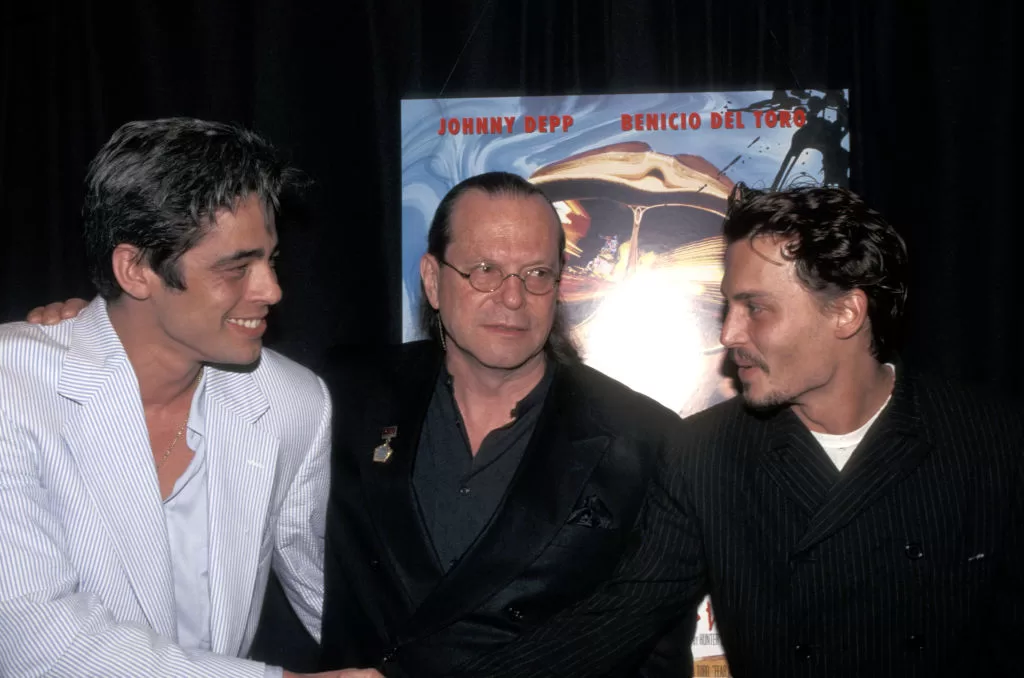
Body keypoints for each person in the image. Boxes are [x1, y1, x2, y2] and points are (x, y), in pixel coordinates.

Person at [456, 184, 1024, 676]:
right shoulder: (708, 453)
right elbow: (613, 621)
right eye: (728, 306)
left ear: (847, 313)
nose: (728, 333)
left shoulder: (986, 438)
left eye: (756, 308)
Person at [0, 118, 379, 678]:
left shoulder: (292, 403)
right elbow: (30, 634)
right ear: (135, 269)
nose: (271, 290)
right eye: (236, 267)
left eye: (270, 259)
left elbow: (334, 596)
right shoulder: (14, 388)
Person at [314, 172, 690, 676]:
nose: (513, 298)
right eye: (485, 270)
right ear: (432, 280)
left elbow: (653, 651)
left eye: (536, 274)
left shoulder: (643, 439)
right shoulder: (343, 396)